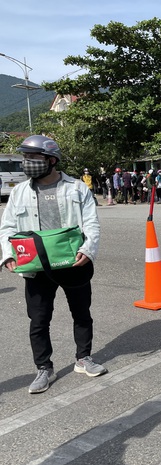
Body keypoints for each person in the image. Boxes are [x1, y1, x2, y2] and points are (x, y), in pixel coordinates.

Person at [0, 135, 107, 394]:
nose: (27, 163)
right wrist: (7, 254)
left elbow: (90, 222)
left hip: (72, 262)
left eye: (33, 158)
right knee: (38, 319)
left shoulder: (76, 188)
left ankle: (84, 358)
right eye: (26, 158)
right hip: (36, 266)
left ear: (51, 160)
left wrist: (88, 249)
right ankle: (43, 368)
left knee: (81, 313)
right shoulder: (20, 191)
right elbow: (8, 226)